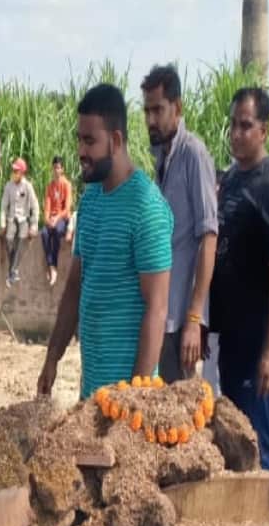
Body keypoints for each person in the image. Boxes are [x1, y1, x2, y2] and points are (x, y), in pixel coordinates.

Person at [38, 84, 173, 400]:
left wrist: (134, 399)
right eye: (79, 140)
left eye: (90, 141)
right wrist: (52, 357)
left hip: (127, 402)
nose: (81, 151)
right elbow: (75, 286)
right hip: (92, 395)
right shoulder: (91, 200)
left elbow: (157, 308)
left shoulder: (146, 206)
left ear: (115, 141)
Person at [209, 87, 269, 470]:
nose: (236, 133)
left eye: (245, 126)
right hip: (232, 339)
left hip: (258, 343)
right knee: (235, 444)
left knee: (259, 449)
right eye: (233, 124)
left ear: (264, 130)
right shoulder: (231, 179)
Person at [142, 64, 219, 384]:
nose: (151, 120)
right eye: (146, 111)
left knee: (179, 407)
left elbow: (208, 237)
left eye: (158, 110)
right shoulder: (163, 158)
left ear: (178, 107)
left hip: (180, 319)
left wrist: (194, 318)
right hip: (162, 314)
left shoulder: (193, 155)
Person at [0, 158, 40, 287]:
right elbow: (3, 206)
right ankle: (14, 271)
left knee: (22, 238)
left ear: (22, 173)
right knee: (9, 239)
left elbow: (35, 206)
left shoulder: (28, 186)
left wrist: (34, 225)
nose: (14, 172)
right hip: (12, 218)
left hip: (24, 219)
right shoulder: (8, 186)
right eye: (13, 170)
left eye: (16, 171)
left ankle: (12, 271)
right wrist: (3, 224)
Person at [40, 156, 74, 286]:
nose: (56, 170)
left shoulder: (67, 185)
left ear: (62, 169)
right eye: (54, 168)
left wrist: (57, 218)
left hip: (63, 218)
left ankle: (53, 265)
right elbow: (47, 208)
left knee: (58, 230)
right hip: (52, 218)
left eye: (58, 168)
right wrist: (47, 219)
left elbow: (67, 208)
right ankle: (51, 266)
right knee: (44, 233)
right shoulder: (50, 186)